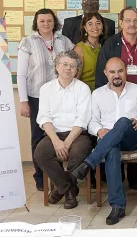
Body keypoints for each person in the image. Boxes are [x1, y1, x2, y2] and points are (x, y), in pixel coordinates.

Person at [70, 58, 137, 225]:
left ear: (125, 71)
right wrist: (98, 130)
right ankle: (118, 206)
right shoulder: (97, 94)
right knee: (111, 149)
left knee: (123, 121)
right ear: (106, 73)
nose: (116, 75)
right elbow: (92, 121)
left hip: (131, 137)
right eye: (112, 72)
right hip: (107, 139)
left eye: (120, 71)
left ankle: (89, 163)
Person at [17, 8, 75, 191]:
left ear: (54, 22)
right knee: (37, 137)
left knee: (58, 132)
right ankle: (40, 178)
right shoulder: (28, 42)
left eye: (49, 20)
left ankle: (58, 176)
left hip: (61, 95)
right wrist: (23, 100)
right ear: (36, 22)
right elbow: (20, 74)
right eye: (42, 21)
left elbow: (74, 61)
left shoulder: (63, 40)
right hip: (36, 97)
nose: (46, 24)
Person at [34, 51, 92, 209]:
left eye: (73, 66)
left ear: (76, 70)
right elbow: (44, 118)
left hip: (77, 134)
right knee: (40, 153)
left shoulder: (83, 89)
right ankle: (68, 191)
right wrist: (56, 141)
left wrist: (66, 143)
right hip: (54, 134)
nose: (68, 68)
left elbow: (82, 119)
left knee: (78, 153)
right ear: (57, 67)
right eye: (65, 64)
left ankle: (61, 190)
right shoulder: (46, 89)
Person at [95, 7, 137, 91]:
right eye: (128, 20)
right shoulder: (110, 44)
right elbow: (101, 73)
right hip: (115, 95)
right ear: (121, 23)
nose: (132, 24)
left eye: (135, 21)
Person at [74, 12, 108, 91]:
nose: (95, 27)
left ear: (102, 26)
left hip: (105, 91)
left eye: (98, 23)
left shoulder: (106, 46)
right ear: (85, 28)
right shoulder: (79, 49)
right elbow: (76, 79)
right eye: (90, 24)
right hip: (86, 92)